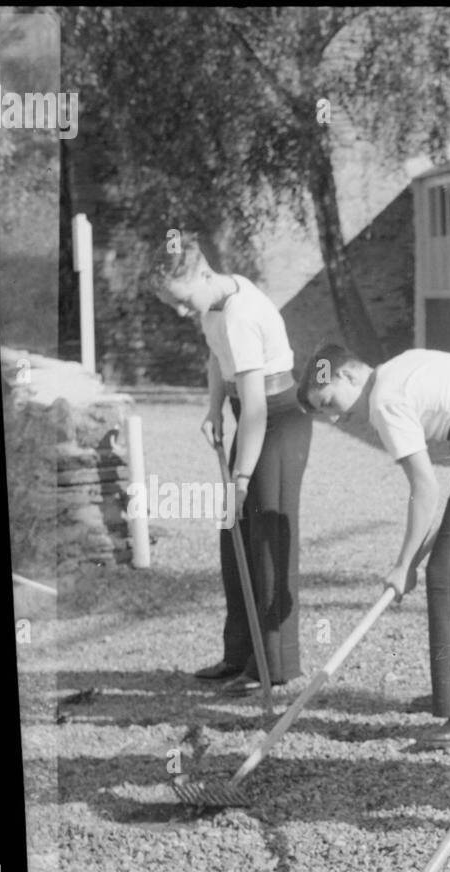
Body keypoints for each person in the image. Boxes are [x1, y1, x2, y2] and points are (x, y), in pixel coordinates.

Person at [298, 344, 450, 750]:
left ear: (348, 375)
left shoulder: (384, 401)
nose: (336, 416)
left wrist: (404, 564)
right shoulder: (401, 364)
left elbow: (424, 488)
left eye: (329, 402)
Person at [151, 233, 311, 692]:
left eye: (183, 301)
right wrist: (213, 409)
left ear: (203, 273)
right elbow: (215, 357)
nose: (183, 311)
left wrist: (241, 475)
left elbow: (258, 409)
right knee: (234, 535)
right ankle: (239, 655)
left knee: (267, 542)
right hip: (251, 415)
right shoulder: (218, 301)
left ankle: (272, 666)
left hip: (278, 420)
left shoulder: (241, 313)